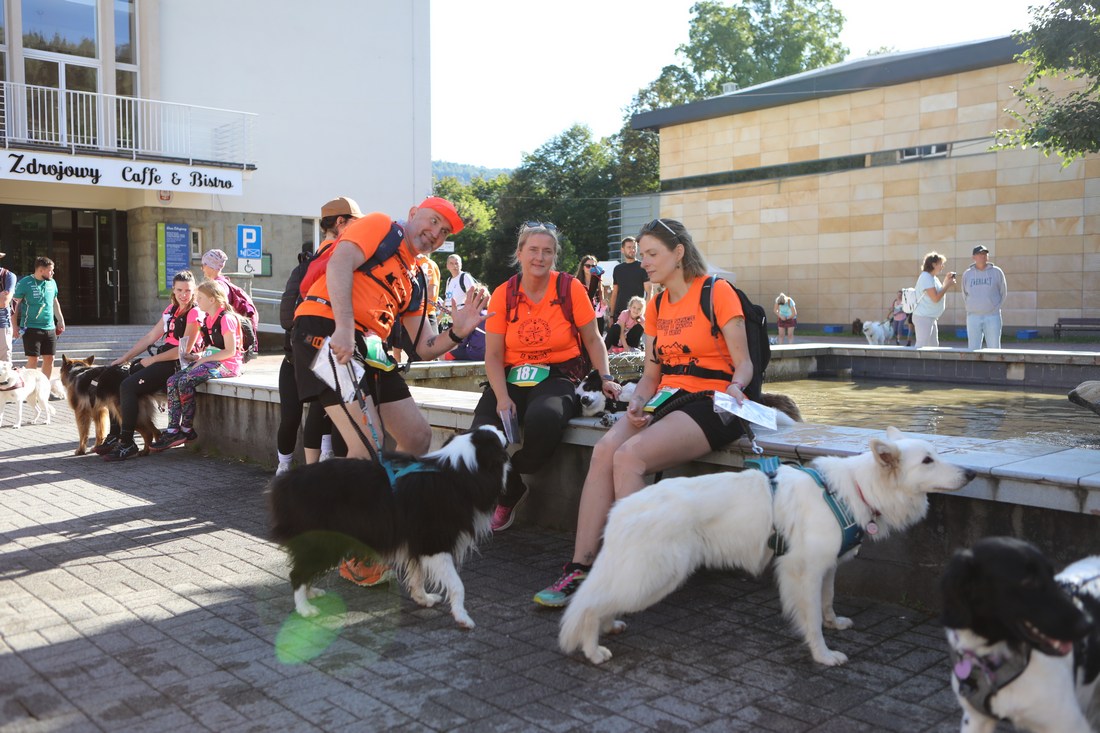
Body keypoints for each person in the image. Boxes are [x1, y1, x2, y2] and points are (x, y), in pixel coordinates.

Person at [534, 218, 752, 607]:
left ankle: (634, 571)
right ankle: (580, 567)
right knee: (605, 451)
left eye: (652, 254)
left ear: (678, 253)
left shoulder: (717, 292)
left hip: (715, 400)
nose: (644, 261)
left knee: (629, 457)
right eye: (643, 253)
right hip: (667, 398)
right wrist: (636, 401)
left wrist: (738, 386)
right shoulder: (657, 306)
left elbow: (744, 363)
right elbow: (651, 375)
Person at [291, 196, 488, 587]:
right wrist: (343, 327)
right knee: (368, 446)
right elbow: (339, 262)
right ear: (414, 214)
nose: (434, 233)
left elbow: (424, 346)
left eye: (444, 231)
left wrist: (458, 331)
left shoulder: (417, 277)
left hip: (370, 348)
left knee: (417, 435)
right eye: (432, 221)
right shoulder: (380, 225)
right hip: (327, 332)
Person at [471, 223, 617, 532]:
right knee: (479, 435)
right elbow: (493, 354)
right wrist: (502, 397)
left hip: (557, 373)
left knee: (545, 420)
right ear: (519, 253)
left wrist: (605, 376)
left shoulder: (570, 288)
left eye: (547, 251)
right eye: (533, 250)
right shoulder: (504, 293)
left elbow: (593, 339)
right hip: (511, 375)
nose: (540, 257)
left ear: (554, 256)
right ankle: (510, 490)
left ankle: (511, 472)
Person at [100, 271, 203, 461]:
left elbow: (183, 350)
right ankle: (114, 436)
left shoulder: (194, 313)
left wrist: (152, 360)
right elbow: (150, 337)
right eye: (179, 290)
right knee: (116, 377)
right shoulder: (171, 310)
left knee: (127, 386)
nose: (183, 295)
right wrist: (124, 358)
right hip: (163, 357)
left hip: (176, 362)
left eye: (188, 290)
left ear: (194, 291)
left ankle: (127, 443)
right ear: (173, 290)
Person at [148, 281, 245, 452]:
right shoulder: (208, 319)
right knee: (172, 380)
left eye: (200, 297)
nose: (196, 300)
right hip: (213, 361)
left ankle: (186, 429)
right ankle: (172, 430)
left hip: (228, 365)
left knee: (185, 381)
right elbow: (212, 348)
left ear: (212, 300)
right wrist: (198, 357)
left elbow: (230, 351)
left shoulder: (227, 318)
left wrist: (202, 361)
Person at [12, 256, 65, 379]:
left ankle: (45, 387)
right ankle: (29, 386)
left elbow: (55, 302)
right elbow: (14, 306)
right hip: (30, 327)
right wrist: (14, 327)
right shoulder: (24, 283)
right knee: (33, 360)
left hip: (49, 327)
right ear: (41, 270)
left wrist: (60, 320)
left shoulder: (52, 282)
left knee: (50, 358)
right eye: (50, 270)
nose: (53, 273)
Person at [200, 248, 259, 358]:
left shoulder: (218, 285)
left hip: (224, 336)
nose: (202, 268)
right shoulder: (224, 282)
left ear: (211, 266)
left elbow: (219, 310)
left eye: (204, 264)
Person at [962, 245, 1007, 350]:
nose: (983, 256)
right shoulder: (967, 274)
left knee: (994, 348)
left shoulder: (997, 272)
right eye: (980, 254)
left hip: (992, 316)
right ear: (974, 257)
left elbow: (1003, 292)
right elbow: (964, 293)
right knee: (973, 349)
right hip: (973, 317)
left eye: (985, 254)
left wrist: (995, 308)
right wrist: (972, 307)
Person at [441, 254, 485, 361]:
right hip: (450, 317)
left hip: (461, 318)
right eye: (451, 263)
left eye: (457, 263)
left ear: (461, 264)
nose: (454, 266)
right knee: (447, 345)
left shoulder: (465, 277)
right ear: (447, 266)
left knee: (456, 345)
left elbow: (474, 295)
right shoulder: (449, 280)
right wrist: (440, 316)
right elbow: (447, 299)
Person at [913, 251, 957, 348]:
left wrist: (946, 281)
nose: (943, 266)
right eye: (941, 264)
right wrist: (947, 285)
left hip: (930, 317)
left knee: (933, 346)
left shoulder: (933, 278)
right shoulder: (926, 277)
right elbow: (935, 298)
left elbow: (939, 291)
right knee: (921, 346)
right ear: (933, 264)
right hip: (923, 317)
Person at [609, 236, 650, 318]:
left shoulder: (643, 267)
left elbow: (649, 292)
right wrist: (611, 315)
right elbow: (614, 293)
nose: (632, 250)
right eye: (629, 247)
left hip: (636, 315)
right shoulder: (617, 269)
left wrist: (644, 314)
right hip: (619, 315)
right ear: (622, 250)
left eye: (634, 247)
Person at [575, 255, 607, 335]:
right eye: (588, 266)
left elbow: (601, 295)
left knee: (599, 336)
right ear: (582, 267)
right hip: (583, 315)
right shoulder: (577, 282)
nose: (591, 268)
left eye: (593, 266)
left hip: (597, 314)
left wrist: (603, 302)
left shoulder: (598, 280)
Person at [0, 252, 16, 362]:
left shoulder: (8, 276)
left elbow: (4, 302)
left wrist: (2, 298)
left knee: (4, 366)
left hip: (2, 326)